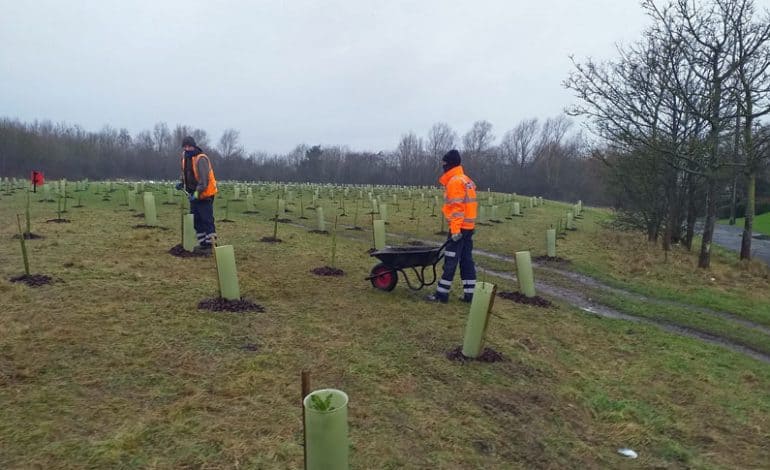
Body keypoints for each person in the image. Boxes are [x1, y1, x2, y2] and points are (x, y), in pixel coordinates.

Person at [426, 149, 478, 303]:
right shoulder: (466, 180)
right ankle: (470, 294)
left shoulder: (455, 181)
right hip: (468, 228)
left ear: (449, 164)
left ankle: (441, 295)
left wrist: (455, 231)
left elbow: (457, 209)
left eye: (444, 164)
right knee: (466, 260)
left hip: (459, 229)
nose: (443, 167)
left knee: (450, 261)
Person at [176, 136, 218, 250]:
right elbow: (185, 173)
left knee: (206, 219)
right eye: (185, 146)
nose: (187, 148)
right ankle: (203, 243)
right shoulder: (185, 158)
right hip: (193, 194)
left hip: (205, 194)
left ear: (194, 146)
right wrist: (181, 182)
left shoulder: (201, 159)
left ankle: (211, 245)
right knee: (196, 220)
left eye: (189, 146)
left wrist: (196, 194)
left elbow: (204, 181)